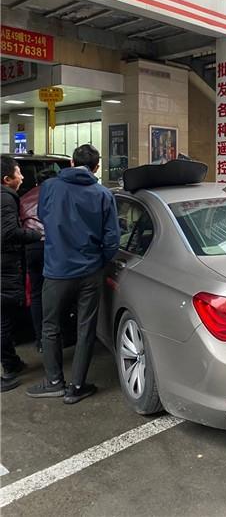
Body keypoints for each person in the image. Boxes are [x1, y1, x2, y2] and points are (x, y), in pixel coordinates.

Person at [27, 144, 120, 404]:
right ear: (97, 167)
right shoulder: (103, 194)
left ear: (70, 163)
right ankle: (77, 386)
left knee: (50, 326)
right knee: (86, 328)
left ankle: (54, 382)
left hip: (56, 270)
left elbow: (43, 216)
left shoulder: (50, 187)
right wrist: (98, 261)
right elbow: (112, 239)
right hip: (90, 271)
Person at [1, 156, 42, 392]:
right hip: (4, 267)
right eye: (19, 173)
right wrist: (35, 235)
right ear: (7, 179)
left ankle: (12, 362)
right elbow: (8, 233)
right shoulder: (6, 198)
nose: (23, 177)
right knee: (3, 321)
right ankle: (8, 368)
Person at [20, 169, 57, 353]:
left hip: (31, 247)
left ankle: (40, 340)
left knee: (36, 294)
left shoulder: (24, 198)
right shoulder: (57, 194)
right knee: (56, 291)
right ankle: (55, 337)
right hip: (52, 246)